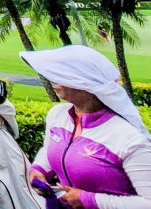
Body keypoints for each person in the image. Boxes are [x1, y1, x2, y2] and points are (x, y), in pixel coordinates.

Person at [22, 45, 151, 208]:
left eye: (61, 75)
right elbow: (50, 150)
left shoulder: (128, 139)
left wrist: (89, 200)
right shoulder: (58, 115)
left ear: (87, 86)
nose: (52, 79)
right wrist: (39, 170)